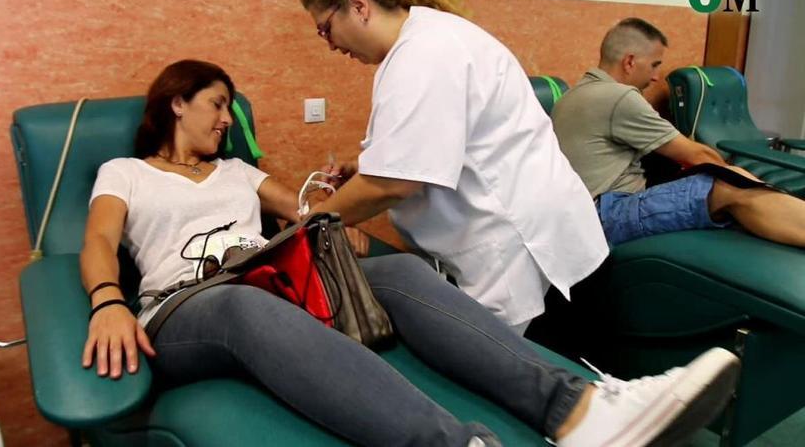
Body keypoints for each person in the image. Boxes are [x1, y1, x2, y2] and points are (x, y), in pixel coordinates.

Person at [79, 59, 740, 447]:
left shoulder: (239, 174)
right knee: (242, 307)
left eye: (230, 107)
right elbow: (101, 242)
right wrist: (108, 303)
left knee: (394, 269)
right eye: (217, 104)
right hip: (191, 307)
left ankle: (579, 409)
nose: (228, 119)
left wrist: (332, 223)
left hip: (278, 288)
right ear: (175, 102)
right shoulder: (126, 172)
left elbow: (306, 215)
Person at [299, 0, 608, 332]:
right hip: (521, 227)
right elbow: (433, 145)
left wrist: (314, 223)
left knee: (494, 368)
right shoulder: (428, 38)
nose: (329, 44)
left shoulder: (422, 54)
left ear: (358, 5)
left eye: (325, 28)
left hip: (508, 241)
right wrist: (365, 165)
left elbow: (394, 183)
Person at [552, 17, 805, 248]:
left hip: (581, 214)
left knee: (732, 186)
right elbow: (698, 155)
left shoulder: (572, 95)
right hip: (603, 217)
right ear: (629, 61)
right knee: (730, 185)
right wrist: (747, 181)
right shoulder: (619, 97)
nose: (655, 77)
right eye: (654, 65)